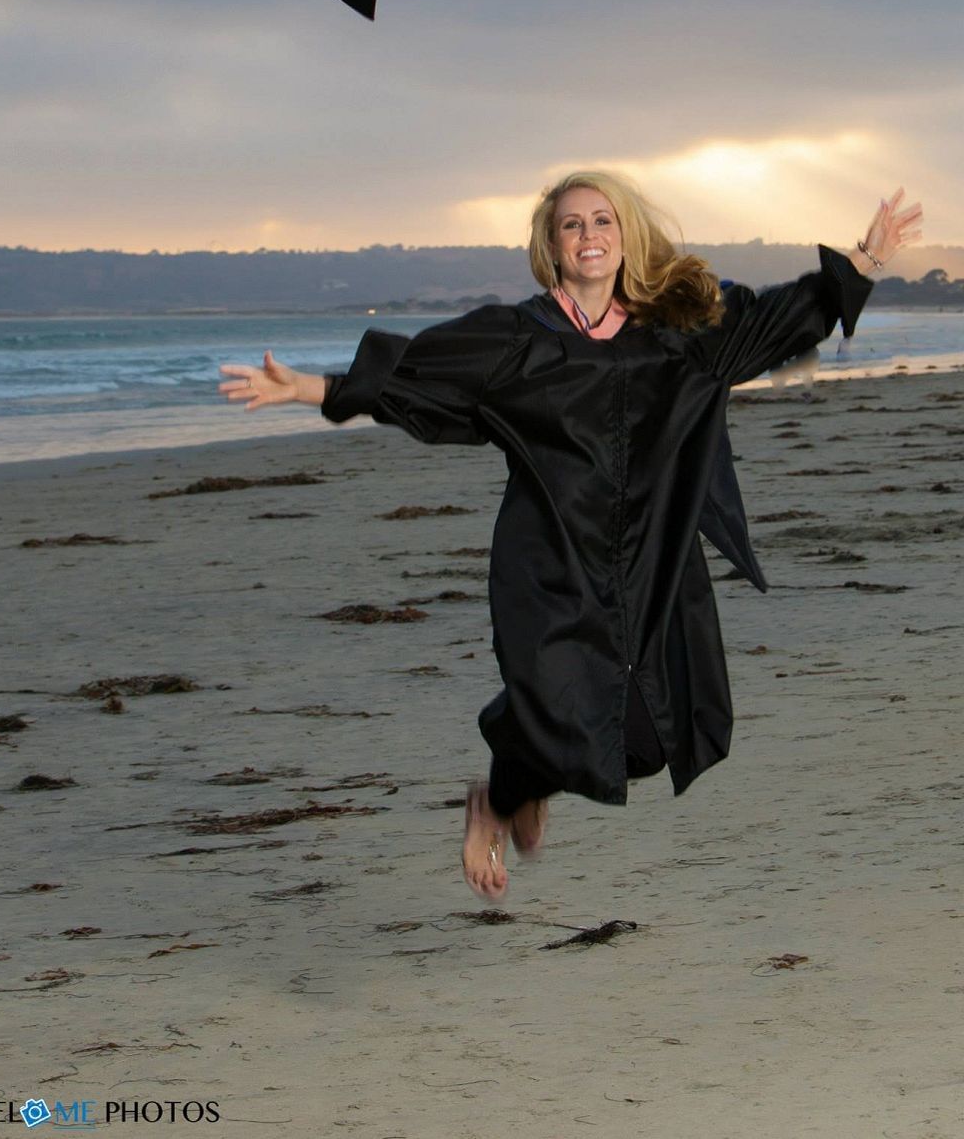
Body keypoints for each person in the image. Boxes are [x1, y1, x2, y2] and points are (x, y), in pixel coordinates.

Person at [219, 173, 922, 900]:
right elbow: (420, 376)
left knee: (649, 741)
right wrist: (309, 387)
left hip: (653, 563)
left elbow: (776, 322)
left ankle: (521, 788)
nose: (589, 236)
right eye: (571, 226)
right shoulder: (516, 339)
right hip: (551, 564)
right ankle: (497, 800)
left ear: (626, 236)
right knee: (555, 712)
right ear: (550, 246)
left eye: (602, 221)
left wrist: (864, 259)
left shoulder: (679, 333)